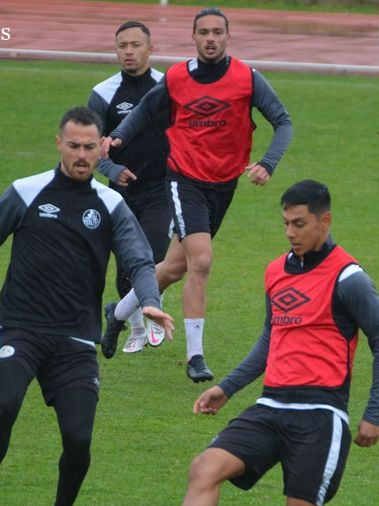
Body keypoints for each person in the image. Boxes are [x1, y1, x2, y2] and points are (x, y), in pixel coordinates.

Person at [0, 107, 174, 506]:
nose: (82, 155)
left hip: (76, 340)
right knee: (3, 406)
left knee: (78, 438)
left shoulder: (111, 204)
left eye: (90, 147)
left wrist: (148, 299)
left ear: (102, 148)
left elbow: (141, 259)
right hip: (20, 328)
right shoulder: (25, 191)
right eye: (74, 146)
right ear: (59, 144)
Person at [134, 180, 379, 506]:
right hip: (271, 405)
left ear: (324, 221)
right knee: (205, 467)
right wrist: (228, 387)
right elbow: (270, 338)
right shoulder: (276, 271)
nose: (291, 233)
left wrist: (374, 413)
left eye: (300, 224)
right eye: (286, 224)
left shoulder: (349, 278)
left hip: (320, 414)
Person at [100, 7, 293, 382]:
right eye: (202, 32)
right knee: (201, 263)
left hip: (223, 185)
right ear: (193, 38)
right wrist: (120, 136)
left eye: (217, 32)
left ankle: (118, 314)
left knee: (174, 268)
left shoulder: (247, 78)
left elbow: (283, 122)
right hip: (184, 179)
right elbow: (144, 110)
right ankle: (195, 357)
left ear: (227, 38)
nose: (210, 38)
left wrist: (268, 162)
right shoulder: (177, 77)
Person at [87, 20, 171, 354]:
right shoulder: (102, 94)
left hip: (161, 189)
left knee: (153, 256)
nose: (129, 51)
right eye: (123, 46)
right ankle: (133, 325)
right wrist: (112, 167)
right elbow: (89, 148)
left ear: (151, 49)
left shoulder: (169, 87)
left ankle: (152, 313)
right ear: (116, 50)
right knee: (124, 269)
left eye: (136, 45)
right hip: (118, 196)